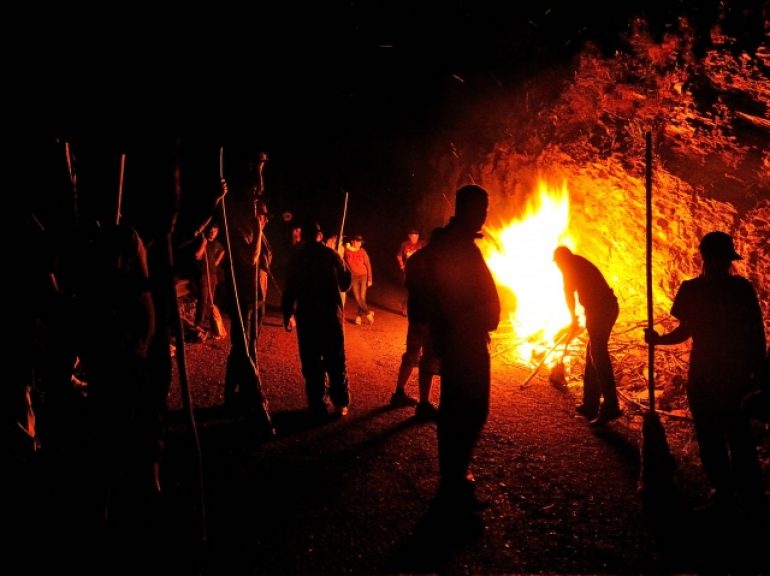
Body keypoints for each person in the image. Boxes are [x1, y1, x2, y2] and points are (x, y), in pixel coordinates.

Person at [645, 231, 766, 513]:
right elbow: (686, 330)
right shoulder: (694, 290)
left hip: (730, 375)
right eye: (719, 258)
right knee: (711, 436)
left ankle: (747, 495)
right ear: (708, 258)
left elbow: (755, 333)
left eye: (725, 259)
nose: (723, 264)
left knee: (736, 436)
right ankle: (725, 491)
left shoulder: (739, 289)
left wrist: (757, 373)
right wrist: (659, 339)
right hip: (706, 374)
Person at [424, 185, 500, 513]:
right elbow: (448, 297)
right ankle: (453, 480)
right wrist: (464, 325)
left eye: (486, 208)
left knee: (463, 408)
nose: (484, 214)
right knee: (467, 408)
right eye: (480, 208)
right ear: (465, 209)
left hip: (466, 338)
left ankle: (453, 476)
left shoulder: (460, 243)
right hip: (463, 342)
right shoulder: (455, 246)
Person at [282, 220, 353, 420]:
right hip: (331, 316)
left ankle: (317, 404)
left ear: (303, 236)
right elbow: (346, 283)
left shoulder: (297, 257)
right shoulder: (332, 255)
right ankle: (341, 402)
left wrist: (287, 313)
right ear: (319, 236)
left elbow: (290, 288)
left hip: (308, 317)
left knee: (312, 362)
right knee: (336, 359)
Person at [553, 245, 622, 426]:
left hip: (600, 310)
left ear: (561, 260)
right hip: (605, 307)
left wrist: (573, 319)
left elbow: (568, 293)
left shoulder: (570, 265)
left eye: (557, 264)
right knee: (592, 351)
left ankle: (611, 404)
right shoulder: (578, 262)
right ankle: (590, 403)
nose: (558, 267)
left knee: (598, 354)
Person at [391, 228, 441, 419]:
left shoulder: (415, 259)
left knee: (412, 352)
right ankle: (424, 404)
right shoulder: (436, 262)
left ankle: (398, 393)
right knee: (428, 357)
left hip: (416, 315)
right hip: (428, 316)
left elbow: (409, 284)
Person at [193, 223, 226, 336]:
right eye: (211, 231)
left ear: (217, 233)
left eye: (215, 231)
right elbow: (197, 256)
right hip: (203, 274)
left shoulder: (216, 244)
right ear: (208, 231)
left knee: (211, 301)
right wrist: (203, 244)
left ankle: (207, 321)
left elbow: (223, 251)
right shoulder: (202, 241)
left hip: (213, 274)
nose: (212, 233)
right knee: (204, 299)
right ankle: (198, 323)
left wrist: (217, 261)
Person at [344, 234, 374, 325]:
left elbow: (368, 265)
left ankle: (358, 317)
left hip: (363, 276)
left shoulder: (362, 251)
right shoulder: (346, 251)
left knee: (362, 297)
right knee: (357, 298)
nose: (359, 244)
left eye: (360, 242)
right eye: (357, 241)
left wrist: (370, 279)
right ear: (352, 241)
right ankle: (369, 313)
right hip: (353, 277)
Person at [396, 228, 425, 315]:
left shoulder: (421, 244)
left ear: (418, 236)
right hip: (408, 270)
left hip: (419, 271)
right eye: (412, 236)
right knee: (409, 289)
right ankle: (405, 307)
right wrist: (401, 265)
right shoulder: (405, 244)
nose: (414, 238)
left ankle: (413, 308)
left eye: (416, 236)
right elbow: (399, 255)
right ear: (409, 236)